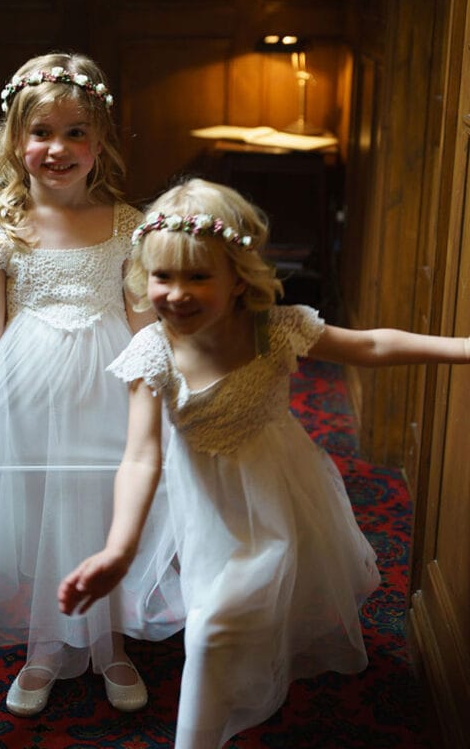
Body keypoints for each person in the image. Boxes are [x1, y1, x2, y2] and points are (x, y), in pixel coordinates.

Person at [58, 177, 470, 749]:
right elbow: (140, 456)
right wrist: (119, 548)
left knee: (215, 629)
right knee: (217, 618)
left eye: (198, 276)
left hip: (280, 494)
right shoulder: (153, 351)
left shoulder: (276, 330)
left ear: (237, 278)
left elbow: (372, 347)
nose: (176, 294)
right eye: (162, 276)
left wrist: (462, 348)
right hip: (208, 507)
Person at [0, 52, 183, 717]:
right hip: (26, 398)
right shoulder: (0, 230)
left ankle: (111, 643)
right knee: (38, 518)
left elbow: (146, 326)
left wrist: (175, 398)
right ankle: (45, 647)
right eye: (42, 133)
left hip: (108, 393)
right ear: (15, 141)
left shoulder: (126, 226)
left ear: (102, 141)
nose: (58, 148)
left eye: (76, 132)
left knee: (102, 508)